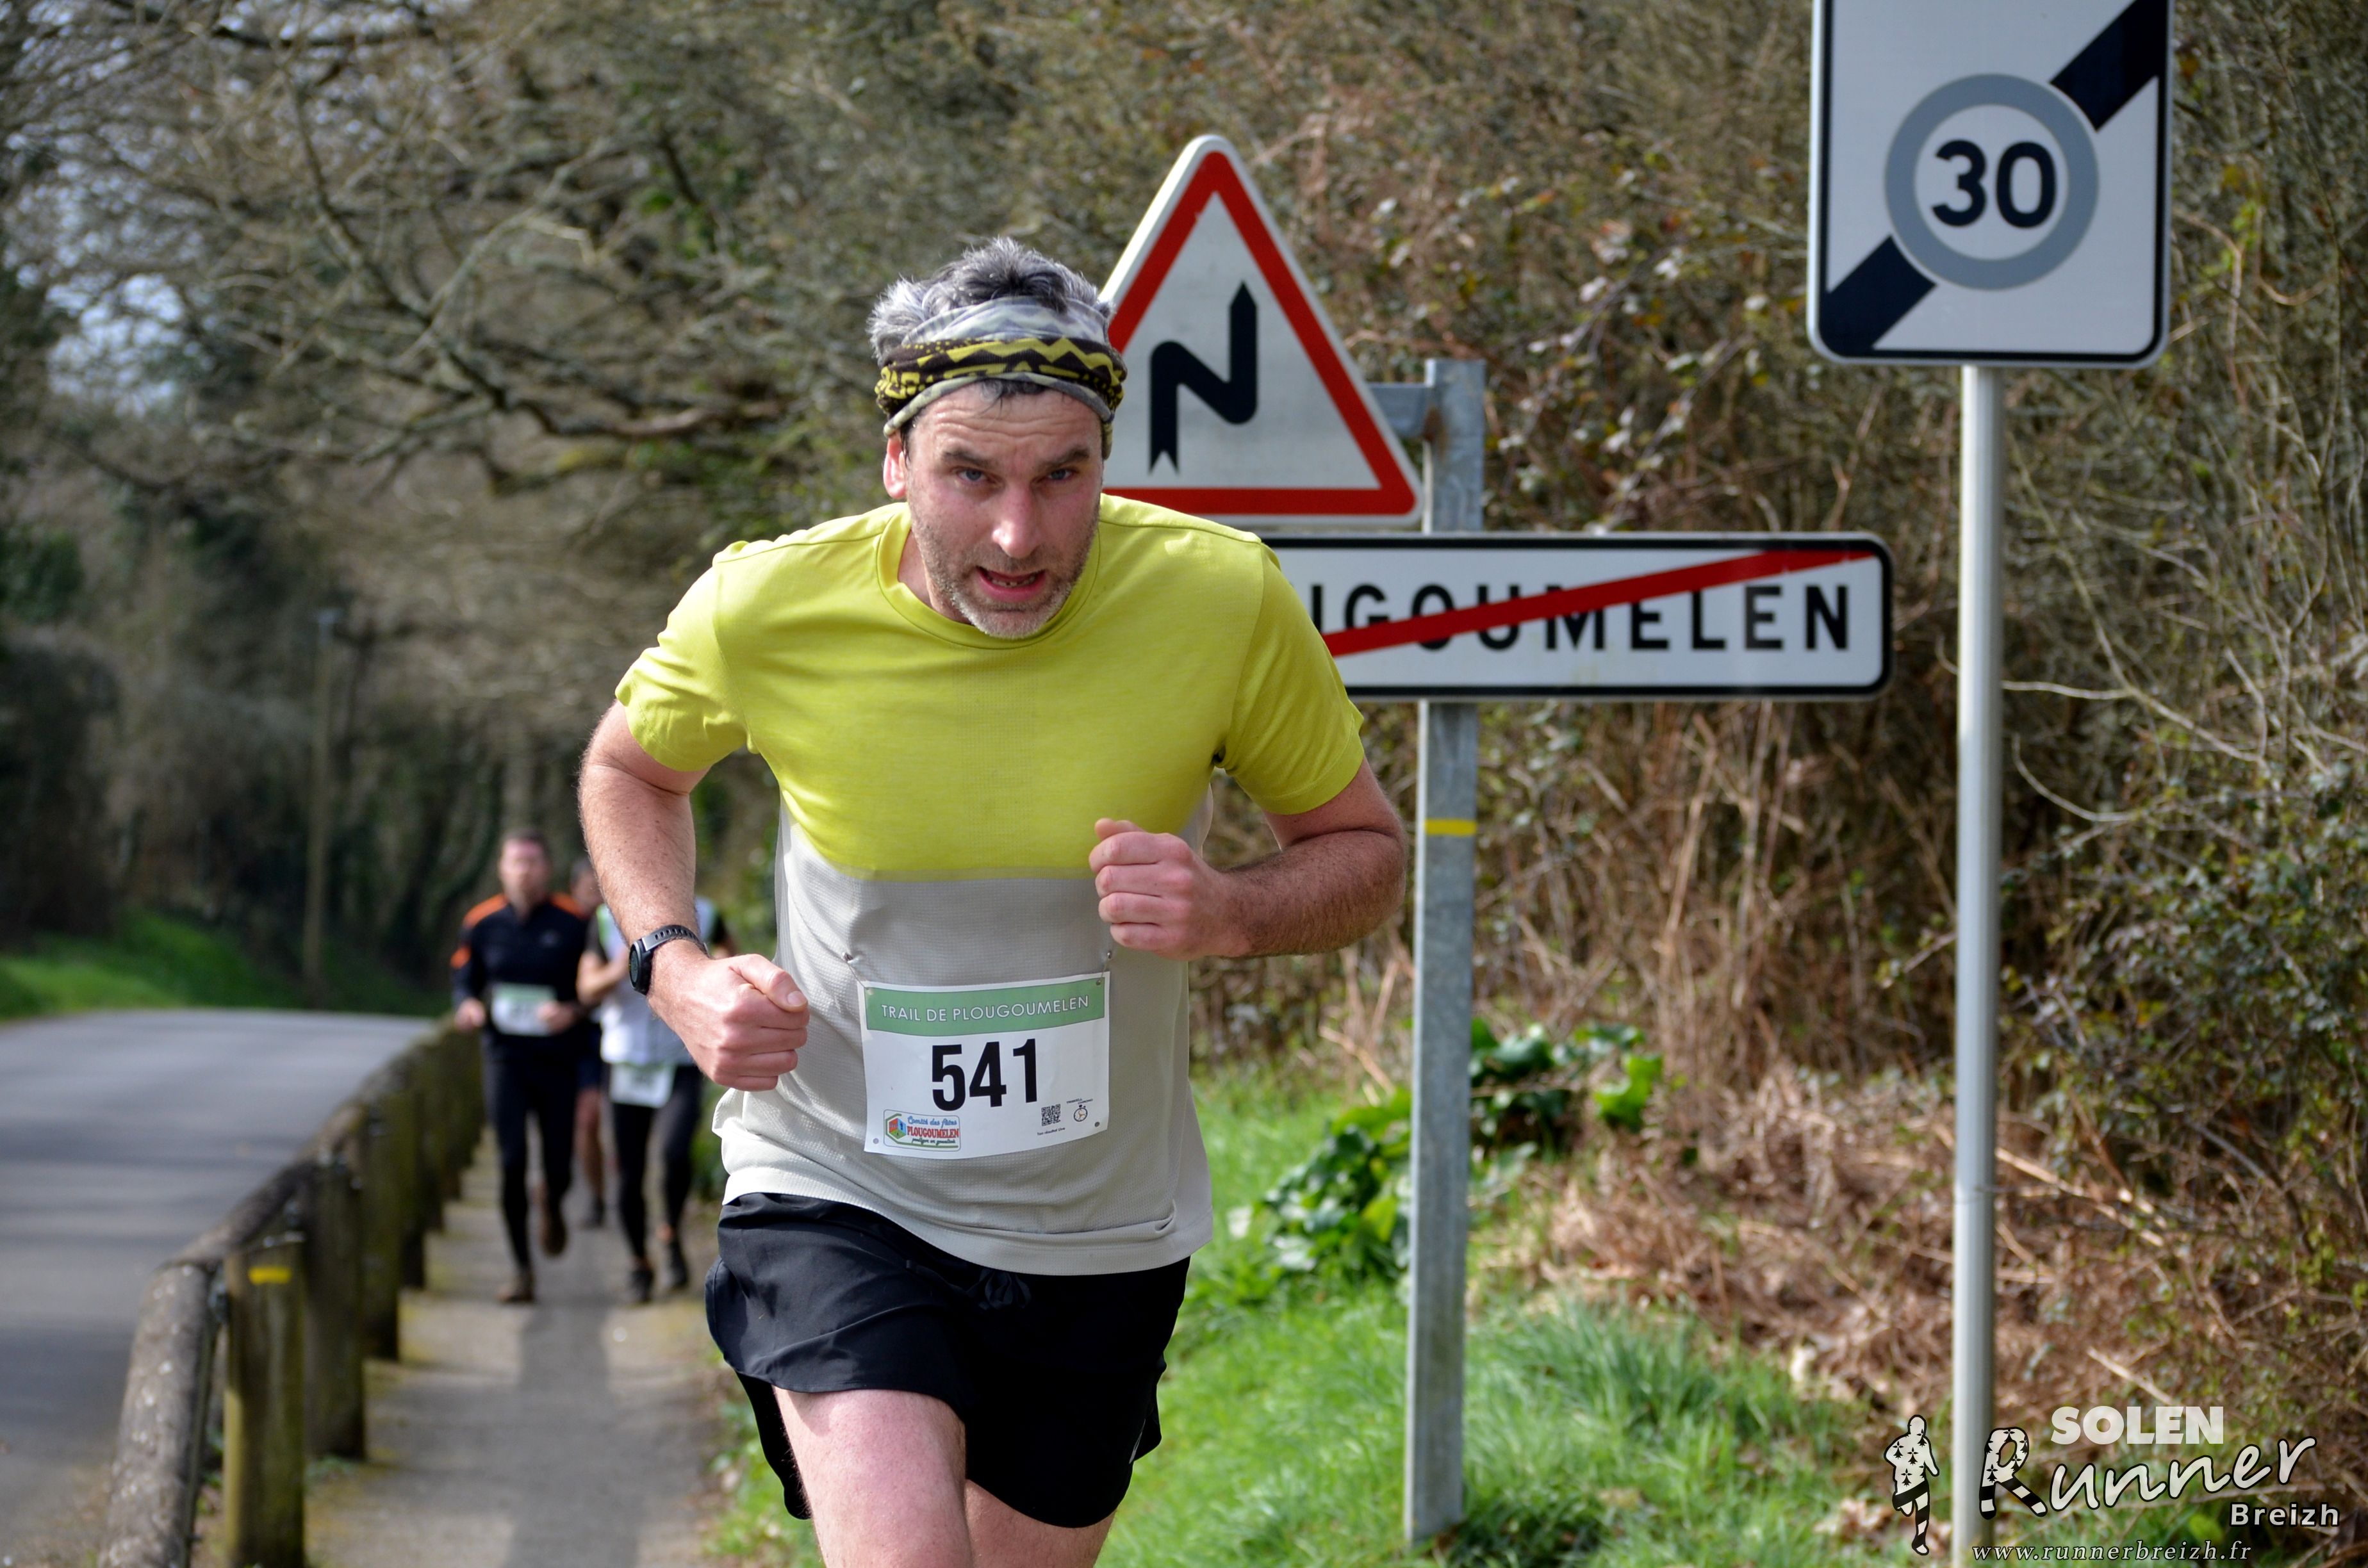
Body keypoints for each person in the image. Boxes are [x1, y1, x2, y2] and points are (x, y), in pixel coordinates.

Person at [580, 237, 1405, 1568]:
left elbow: (1362, 850)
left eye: (1062, 476)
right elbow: (628, 770)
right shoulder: (765, 607)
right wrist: (673, 966)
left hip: (1100, 1223)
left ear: (1106, 462)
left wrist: (1233, 909)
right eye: (971, 475)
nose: (1020, 535)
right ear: (896, 462)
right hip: (839, 1183)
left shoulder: (1220, 598)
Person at [451, 829, 589, 1304]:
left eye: (532, 862)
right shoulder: (481, 922)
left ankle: (551, 1198)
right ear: (502, 868)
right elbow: (464, 979)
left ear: (547, 869)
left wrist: (573, 1010)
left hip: (557, 1059)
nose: (524, 871)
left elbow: (592, 989)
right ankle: (521, 1270)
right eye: (516, 862)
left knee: (559, 1166)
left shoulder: (574, 922)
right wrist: (467, 1005)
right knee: (510, 1162)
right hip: (504, 1057)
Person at [581, 884, 734, 1302]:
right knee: (628, 1170)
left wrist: (714, 970)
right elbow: (586, 987)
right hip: (625, 1060)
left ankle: (669, 1231)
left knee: (674, 1153)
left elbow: (731, 967)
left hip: (679, 1059)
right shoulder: (604, 919)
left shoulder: (707, 913)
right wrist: (620, 969)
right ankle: (638, 1261)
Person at [566, 856, 609, 1229]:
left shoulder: (620, 926)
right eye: (591, 889)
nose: (599, 896)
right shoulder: (566, 928)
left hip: (617, 1035)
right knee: (586, 1119)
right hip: (578, 1039)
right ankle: (597, 1198)